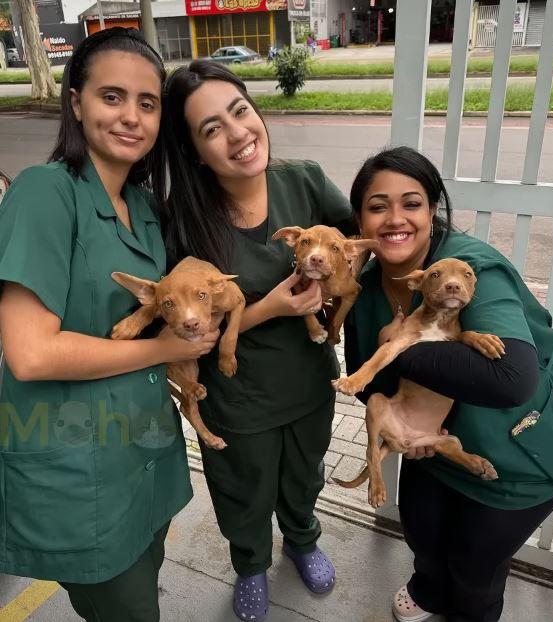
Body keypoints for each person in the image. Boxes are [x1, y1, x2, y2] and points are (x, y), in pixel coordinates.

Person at [0, 28, 218, 622]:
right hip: (77, 471)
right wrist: (165, 348)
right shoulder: (45, 193)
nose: (132, 117)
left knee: (142, 582)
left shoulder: (145, 208)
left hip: (144, 454)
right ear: (75, 101)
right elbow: (31, 354)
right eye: (112, 97)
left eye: (148, 104)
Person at [153, 60, 355, 622]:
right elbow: (183, 324)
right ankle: (249, 565)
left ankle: (303, 538)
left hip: (309, 379)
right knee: (243, 485)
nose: (238, 133)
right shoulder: (186, 221)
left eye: (240, 111)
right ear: (194, 150)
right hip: (237, 394)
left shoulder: (305, 181)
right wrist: (269, 308)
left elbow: (358, 246)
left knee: (304, 472)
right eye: (211, 128)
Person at [344, 145, 553, 622]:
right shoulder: (369, 286)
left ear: (433, 208)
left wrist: (398, 343)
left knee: (474, 567)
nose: (395, 218)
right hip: (437, 445)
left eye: (412, 203)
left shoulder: (468, 267)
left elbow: (511, 380)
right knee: (422, 537)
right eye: (377, 206)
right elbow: (364, 378)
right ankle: (428, 588)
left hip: (522, 448)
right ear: (359, 219)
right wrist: (406, 427)